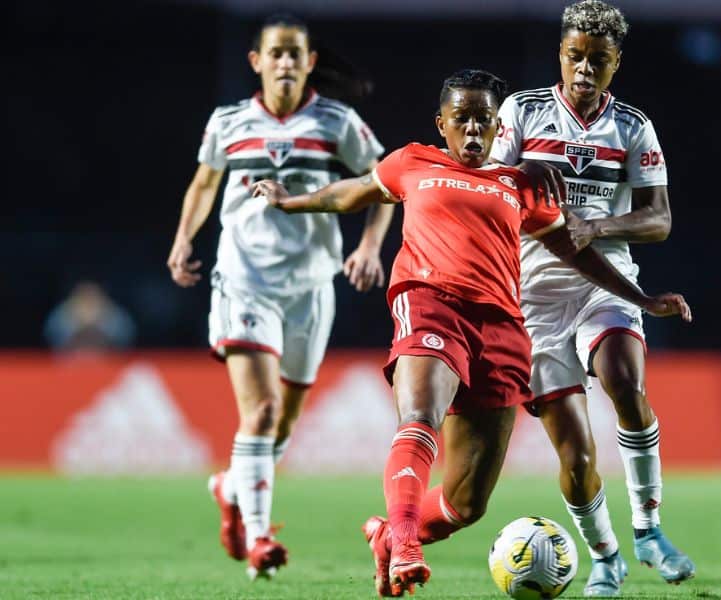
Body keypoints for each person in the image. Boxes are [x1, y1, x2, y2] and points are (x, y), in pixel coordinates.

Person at [253, 68, 691, 597]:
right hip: (431, 303)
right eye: (462, 118)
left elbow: (576, 253)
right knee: (420, 417)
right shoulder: (413, 161)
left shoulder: (520, 185)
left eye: (485, 118)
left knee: (468, 502)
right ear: (442, 123)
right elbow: (353, 194)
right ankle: (407, 547)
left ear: (497, 124)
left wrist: (640, 299)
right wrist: (288, 199)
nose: (475, 129)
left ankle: (389, 535)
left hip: (504, 327)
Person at [166, 14, 392, 579]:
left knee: (283, 424)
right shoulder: (229, 121)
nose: (286, 62)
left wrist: (368, 247)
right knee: (261, 411)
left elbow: (385, 183)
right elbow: (203, 184)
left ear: (310, 62)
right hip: (244, 280)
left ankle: (231, 487)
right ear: (257, 62)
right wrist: (182, 241)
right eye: (277, 53)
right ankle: (260, 539)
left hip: (312, 287)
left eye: (296, 53)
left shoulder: (337, 121)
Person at [488, 1, 696, 594]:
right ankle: (605, 556)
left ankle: (649, 529)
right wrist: (526, 178)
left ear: (615, 64)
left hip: (606, 282)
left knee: (626, 385)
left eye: (598, 61)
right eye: (575, 56)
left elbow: (658, 220)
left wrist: (598, 228)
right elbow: (491, 188)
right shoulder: (522, 112)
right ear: (560, 53)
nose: (584, 70)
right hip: (531, 297)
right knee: (576, 455)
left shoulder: (632, 126)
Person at [43, 281, 136, 352]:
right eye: (84, 299)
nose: (88, 305)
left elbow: (124, 338)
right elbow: (53, 337)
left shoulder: (113, 315)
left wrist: (98, 325)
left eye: (92, 300)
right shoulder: (63, 314)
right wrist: (79, 326)